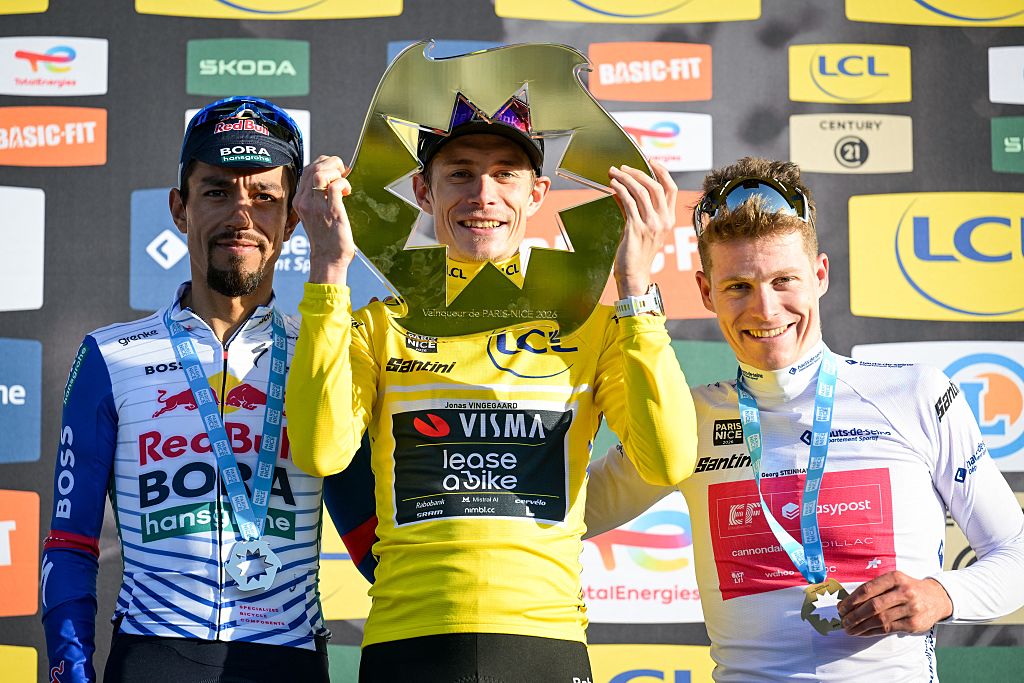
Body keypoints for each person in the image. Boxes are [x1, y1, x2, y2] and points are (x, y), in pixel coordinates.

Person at [284, 92, 698, 680]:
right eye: (461, 174)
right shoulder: (379, 325)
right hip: (409, 643)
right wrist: (328, 268)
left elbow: (669, 459)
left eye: (506, 174)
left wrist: (634, 287)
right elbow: (320, 449)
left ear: (537, 194)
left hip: (543, 644)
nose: (484, 195)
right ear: (424, 193)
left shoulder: (594, 327)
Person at [584, 156, 1024, 681]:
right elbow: (573, 514)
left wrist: (942, 593)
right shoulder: (690, 417)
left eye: (783, 280)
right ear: (706, 292)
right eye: (737, 287)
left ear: (819, 275)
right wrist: (633, 284)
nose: (765, 310)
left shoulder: (913, 394)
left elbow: (1015, 555)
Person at [41, 96, 331, 683]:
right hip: (154, 654)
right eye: (217, 191)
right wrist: (69, 669)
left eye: (265, 197)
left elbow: (373, 538)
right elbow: (70, 541)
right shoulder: (111, 356)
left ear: (293, 218)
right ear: (180, 207)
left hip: (289, 654)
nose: (241, 216)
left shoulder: (325, 355)